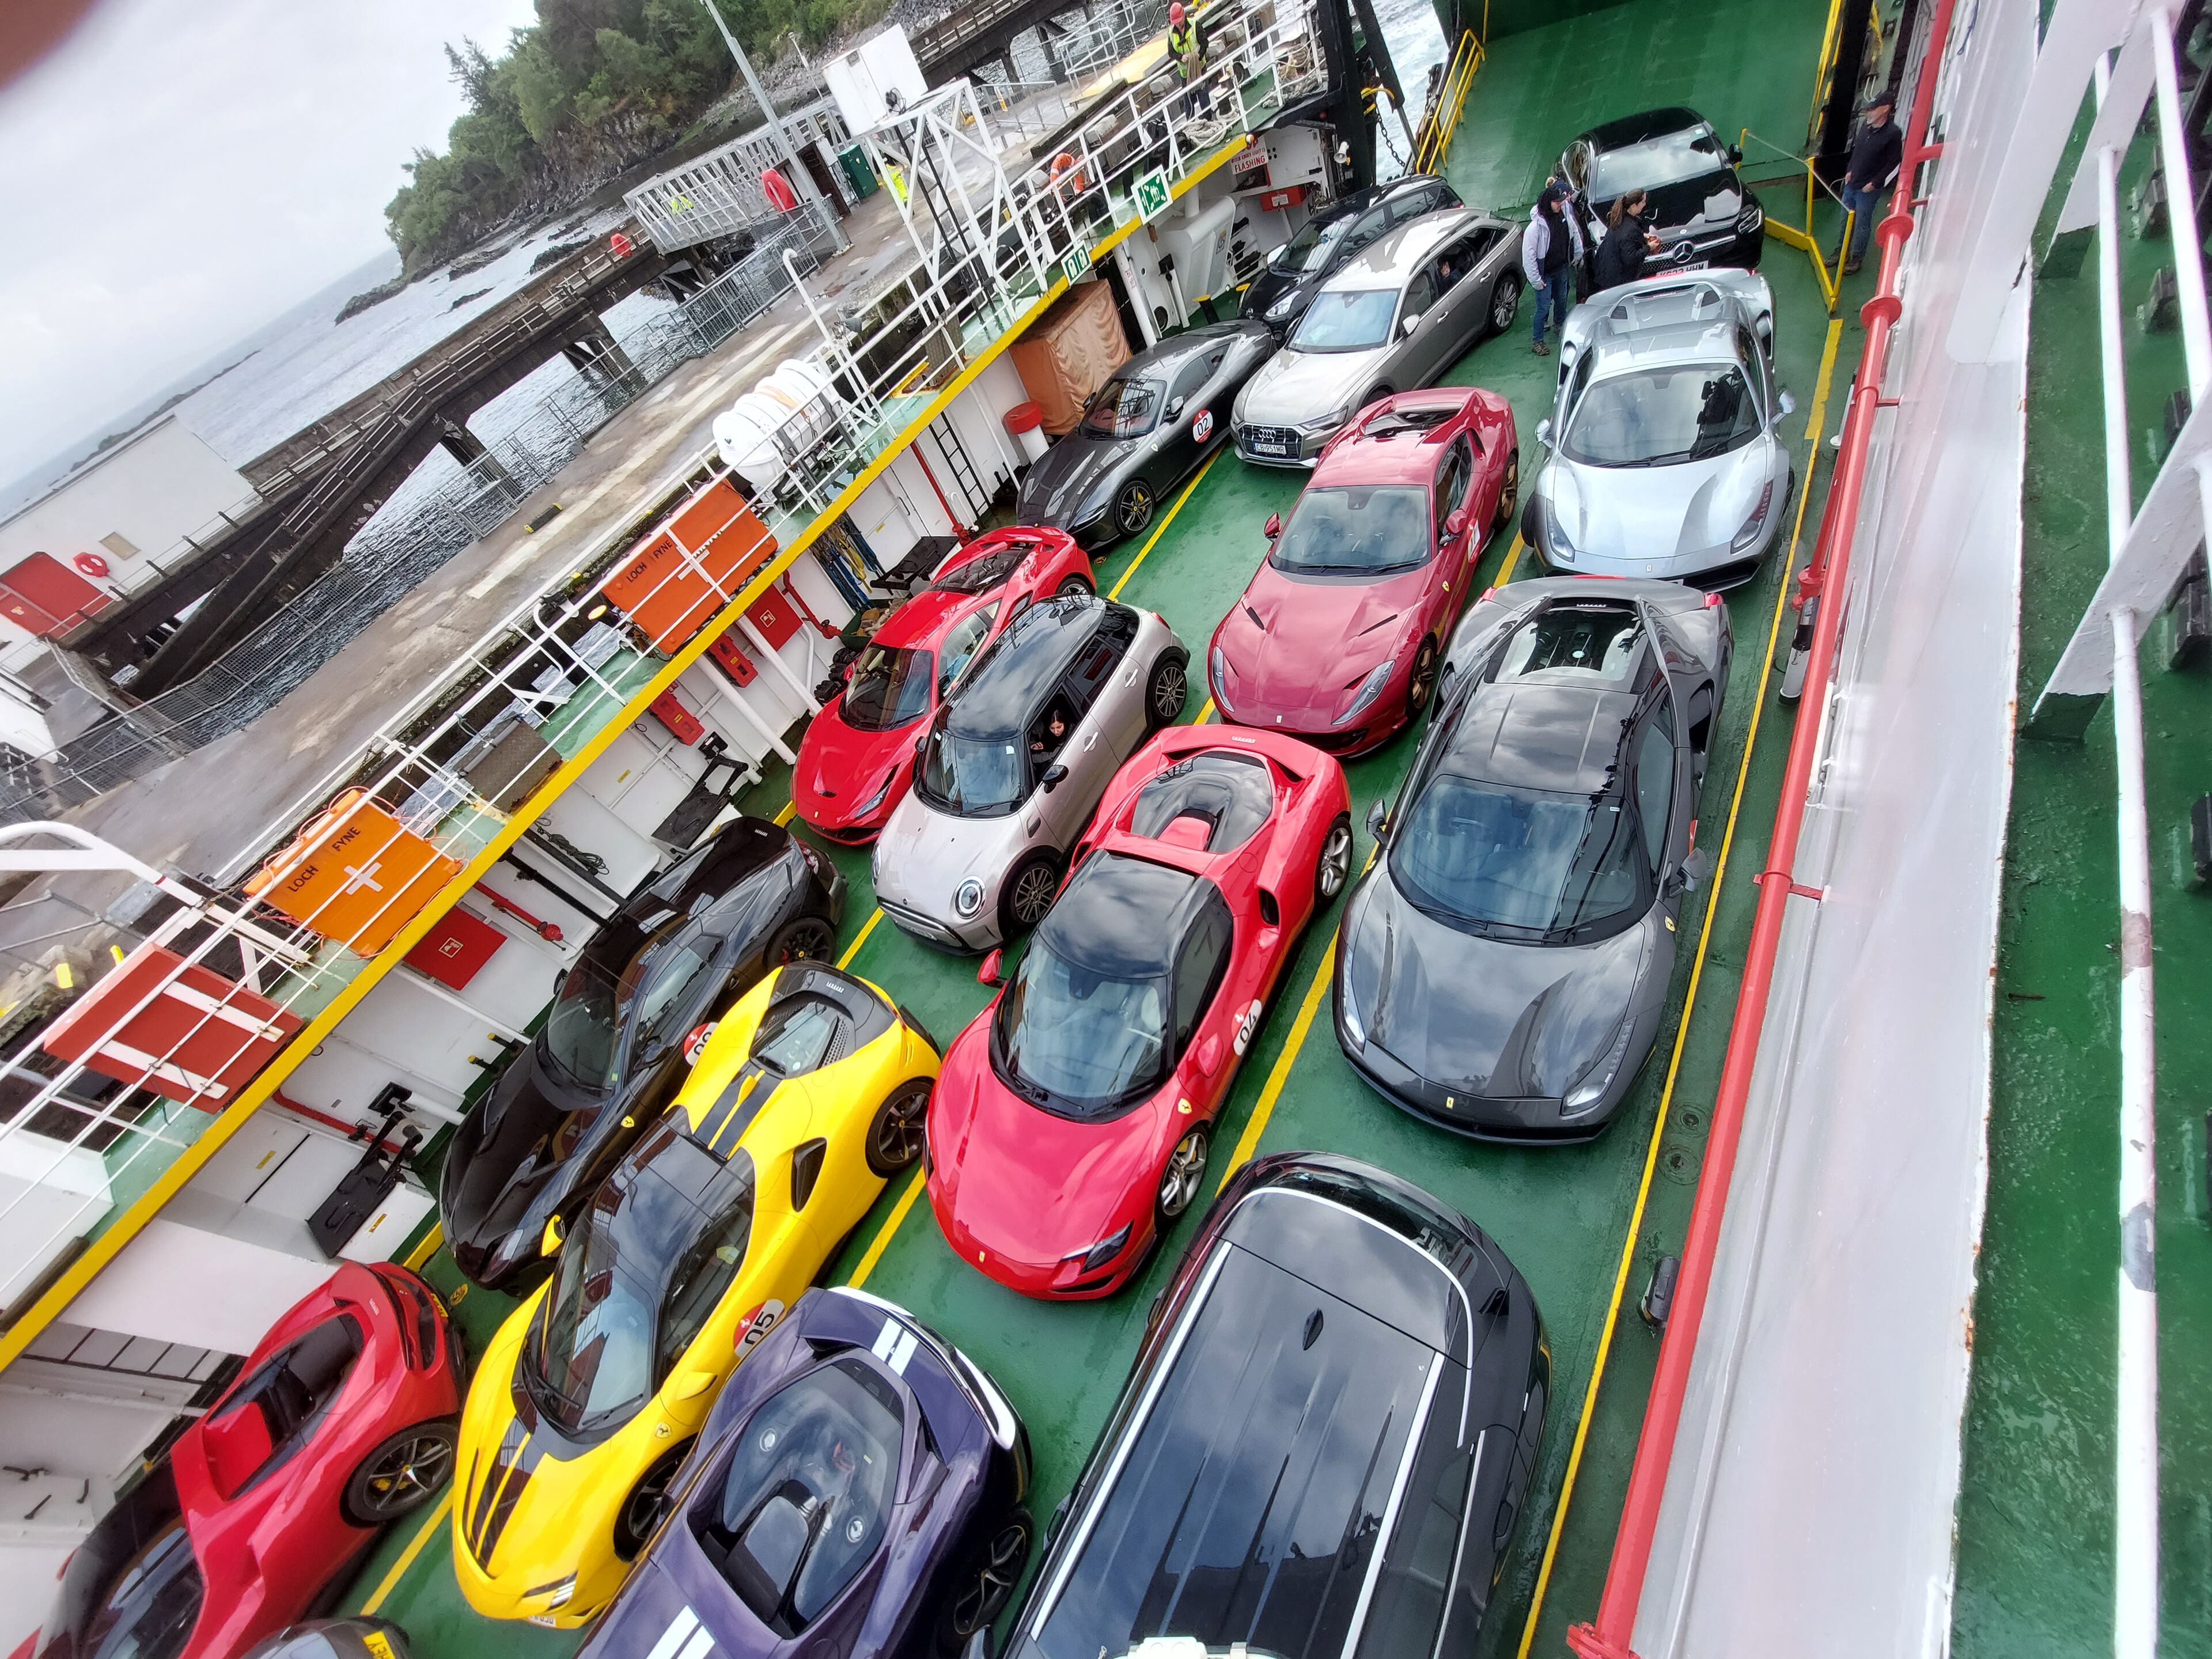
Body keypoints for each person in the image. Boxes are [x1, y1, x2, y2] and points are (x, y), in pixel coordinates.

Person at [1841, 92, 1903, 274]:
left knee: (1862, 224)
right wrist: (1850, 170)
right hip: (1852, 184)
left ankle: (1856, 259)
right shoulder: (1865, 128)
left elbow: (1893, 161)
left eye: (1873, 110)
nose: (1869, 114)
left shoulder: (1893, 134)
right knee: (1845, 219)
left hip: (1867, 190)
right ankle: (1841, 252)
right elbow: (1857, 151)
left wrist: (1875, 183)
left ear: (1886, 109)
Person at [1522, 180, 1585, 355]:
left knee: (1562, 300)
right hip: (1545, 275)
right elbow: (1529, 257)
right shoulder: (1534, 229)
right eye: (1557, 202)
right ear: (1548, 204)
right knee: (1543, 308)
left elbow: (1574, 234)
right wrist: (1536, 280)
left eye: (1561, 201)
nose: (1560, 204)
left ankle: (1560, 326)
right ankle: (1538, 341)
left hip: (1561, 268)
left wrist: (1577, 255)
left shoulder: (1564, 215)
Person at [1592, 188, 1661, 292]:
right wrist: (1649, 247)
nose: (1645, 204)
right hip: (1618, 280)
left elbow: (1622, 238)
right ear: (1634, 206)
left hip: (1606, 274)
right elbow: (1631, 258)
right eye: (1642, 202)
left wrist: (1642, 236)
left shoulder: (1619, 219)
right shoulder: (1630, 228)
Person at [1169, 2, 1209, 118]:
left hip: (1199, 69)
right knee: (1189, 103)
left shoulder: (1195, 25)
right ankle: (1191, 126)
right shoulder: (1171, 33)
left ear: (1183, 15)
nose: (1177, 25)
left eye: (1178, 21)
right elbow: (1171, 52)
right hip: (1185, 74)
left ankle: (1208, 119)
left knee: (1203, 98)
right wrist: (1181, 57)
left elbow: (1205, 43)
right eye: (1175, 23)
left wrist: (1198, 56)